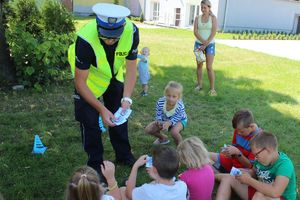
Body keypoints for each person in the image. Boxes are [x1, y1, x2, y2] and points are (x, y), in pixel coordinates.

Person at [68, 3, 139, 180]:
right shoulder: (84, 39)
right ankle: (95, 163)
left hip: (113, 75)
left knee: (119, 114)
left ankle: (123, 155)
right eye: (106, 36)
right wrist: (101, 109)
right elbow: (80, 82)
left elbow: (131, 69)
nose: (110, 41)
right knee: (90, 121)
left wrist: (127, 98)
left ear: (122, 27)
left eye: (114, 37)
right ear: (98, 26)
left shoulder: (132, 31)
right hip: (88, 81)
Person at [215, 131, 297, 200]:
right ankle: (210, 175)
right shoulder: (261, 159)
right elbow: (254, 171)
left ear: (269, 149)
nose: (255, 158)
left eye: (257, 155)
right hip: (260, 190)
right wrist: (246, 173)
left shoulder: (285, 164)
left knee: (259, 196)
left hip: (279, 197)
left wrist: (249, 180)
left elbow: (275, 192)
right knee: (228, 178)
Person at [123, 145, 187, 200]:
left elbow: (129, 194)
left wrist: (135, 166)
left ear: (155, 170)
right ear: (178, 165)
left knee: (122, 190)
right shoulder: (183, 186)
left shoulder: (148, 191)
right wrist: (156, 176)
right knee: (153, 183)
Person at [145, 81, 187, 145]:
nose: (170, 98)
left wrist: (169, 123)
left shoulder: (180, 105)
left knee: (174, 132)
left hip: (180, 120)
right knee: (148, 129)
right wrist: (159, 121)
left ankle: (181, 145)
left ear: (178, 97)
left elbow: (179, 116)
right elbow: (158, 112)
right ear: (165, 94)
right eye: (168, 95)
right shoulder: (160, 102)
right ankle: (163, 138)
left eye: (174, 96)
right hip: (165, 119)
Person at [193, 0, 218, 96]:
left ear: (209, 7)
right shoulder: (197, 18)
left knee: (209, 67)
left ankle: (212, 89)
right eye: (201, 7)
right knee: (199, 65)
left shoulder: (213, 18)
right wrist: (203, 43)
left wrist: (206, 44)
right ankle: (199, 85)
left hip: (210, 45)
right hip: (198, 45)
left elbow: (213, 32)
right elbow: (195, 31)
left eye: (205, 7)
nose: (203, 9)